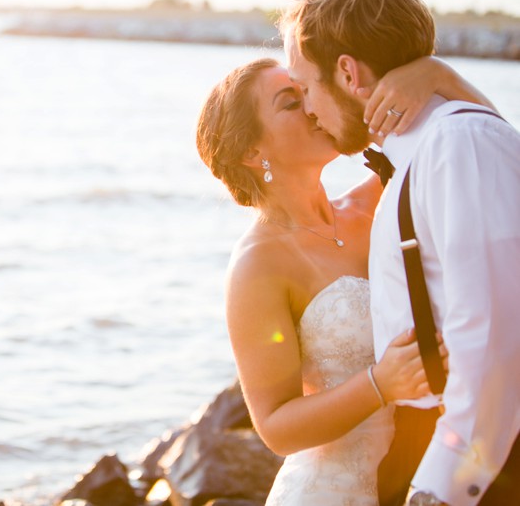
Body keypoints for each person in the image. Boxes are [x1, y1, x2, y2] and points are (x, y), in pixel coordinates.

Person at [195, 55, 490, 505]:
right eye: (290, 102)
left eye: (307, 91)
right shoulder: (257, 264)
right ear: (253, 152)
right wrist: (380, 384)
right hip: (331, 491)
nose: (313, 106)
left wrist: (438, 76)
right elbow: (275, 426)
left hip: (427, 469)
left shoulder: (377, 200)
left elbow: (490, 154)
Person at [280, 0, 520, 506]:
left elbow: (495, 340)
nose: (308, 107)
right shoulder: (426, 154)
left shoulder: (460, 145)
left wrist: (442, 487)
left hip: (470, 465)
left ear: (347, 72)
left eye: (305, 85)